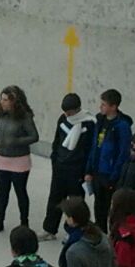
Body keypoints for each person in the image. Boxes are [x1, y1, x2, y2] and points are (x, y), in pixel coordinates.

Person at [40, 93, 95, 241]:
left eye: (69, 112)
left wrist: (86, 170)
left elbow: (90, 148)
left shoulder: (89, 123)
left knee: (75, 203)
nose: (66, 114)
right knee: (55, 199)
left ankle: (74, 232)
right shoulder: (63, 119)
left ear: (77, 109)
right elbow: (57, 140)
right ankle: (49, 230)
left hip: (77, 169)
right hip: (60, 167)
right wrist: (55, 159)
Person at [0, 86, 39, 235]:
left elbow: (34, 136)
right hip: (1, 158)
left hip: (19, 160)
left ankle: (24, 223)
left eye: (5, 100)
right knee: (2, 192)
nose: (2, 102)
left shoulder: (25, 117)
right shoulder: (2, 114)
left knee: (20, 192)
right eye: (1, 99)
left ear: (14, 101)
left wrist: (16, 140)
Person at [84, 89, 133, 233]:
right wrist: (89, 169)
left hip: (110, 174)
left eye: (104, 104)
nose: (101, 107)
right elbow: (94, 146)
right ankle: (100, 231)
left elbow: (123, 154)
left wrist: (114, 176)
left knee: (111, 207)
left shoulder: (122, 126)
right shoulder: (100, 120)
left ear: (114, 107)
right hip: (97, 171)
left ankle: (113, 235)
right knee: (99, 204)